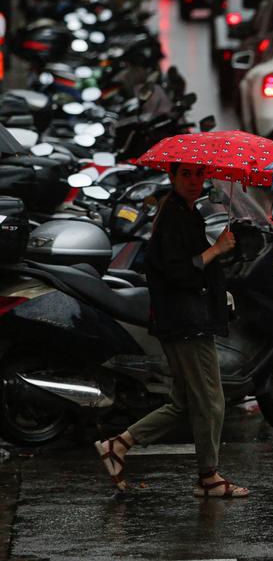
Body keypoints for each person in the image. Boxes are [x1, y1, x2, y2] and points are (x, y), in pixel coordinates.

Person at [94, 163, 246, 497]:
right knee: (211, 401)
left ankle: (118, 445)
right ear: (173, 177)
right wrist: (216, 249)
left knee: (183, 402)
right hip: (186, 322)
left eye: (198, 175)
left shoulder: (185, 213)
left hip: (181, 319)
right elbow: (180, 272)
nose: (194, 182)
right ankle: (209, 478)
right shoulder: (174, 217)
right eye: (186, 175)